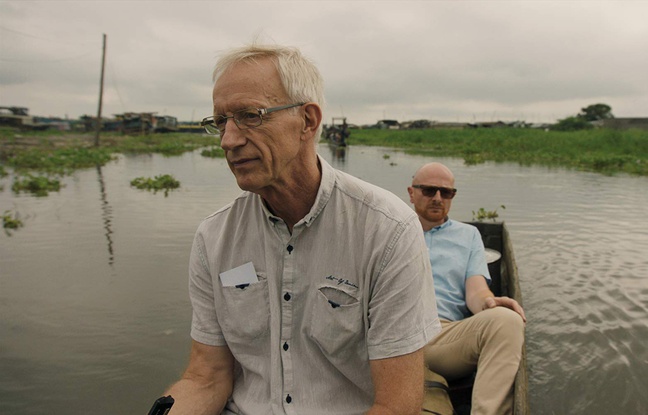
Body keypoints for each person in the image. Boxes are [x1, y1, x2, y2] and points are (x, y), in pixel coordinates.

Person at [161, 43, 441, 415]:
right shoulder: (214, 238)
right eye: (221, 122)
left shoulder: (387, 231)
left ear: (308, 121)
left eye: (249, 115)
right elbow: (206, 378)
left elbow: (396, 405)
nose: (229, 139)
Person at [407, 162, 526, 415]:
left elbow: (476, 291)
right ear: (411, 192)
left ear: (452, 196)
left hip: (443, 336)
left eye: (446, 192)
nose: (438, 198)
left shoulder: (468, 235)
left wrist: (489, 303)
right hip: (391, 333)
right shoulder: (391, 229)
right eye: (429, 190)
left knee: (507, 320)